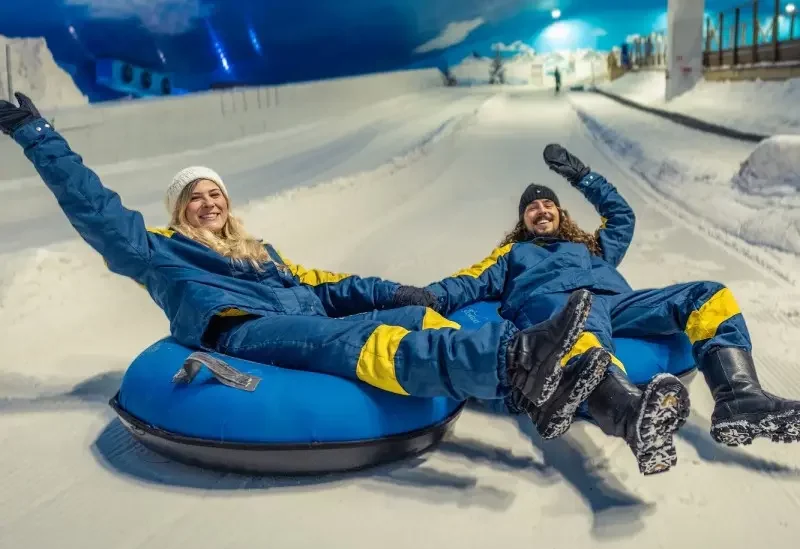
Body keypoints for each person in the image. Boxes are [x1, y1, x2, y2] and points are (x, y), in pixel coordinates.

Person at [0, 92, 611, 432]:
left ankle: (542, 384)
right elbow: (99, 211)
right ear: (179, 212)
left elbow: (325, 285)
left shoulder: (259, 254)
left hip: (296, 317)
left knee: (384, 316)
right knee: (358, 338)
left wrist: (398, 291)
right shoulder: (158, 252)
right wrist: (40, 136)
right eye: (195, 197)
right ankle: (517, 361)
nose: (208, 201)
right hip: (240, 331)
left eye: (215, 193)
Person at [426, 142, 800, 473]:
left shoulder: (591, 248)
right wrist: (416, 298)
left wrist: (582, 176)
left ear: (560, 213)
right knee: (579, 324)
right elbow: (467, 283)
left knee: (708, 295)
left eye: (547, 204)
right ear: (522, 221)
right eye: (531, 208)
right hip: (560, 310)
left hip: (618, 304)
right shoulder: (512, 254)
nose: (540, 210)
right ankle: (631, 414)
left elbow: (622, 217)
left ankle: (740, 398)